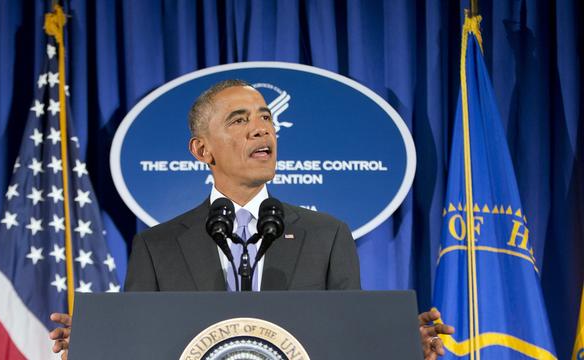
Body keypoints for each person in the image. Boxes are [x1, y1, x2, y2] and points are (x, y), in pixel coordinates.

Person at [50, 80, 453, 359]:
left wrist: (400, 344)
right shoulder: (156, 247)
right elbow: (141, 346)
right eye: (239, 120)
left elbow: (349, 341)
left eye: (265, 118)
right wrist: (95, 343)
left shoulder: (327, 236)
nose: (261, 130)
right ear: (201, 150)